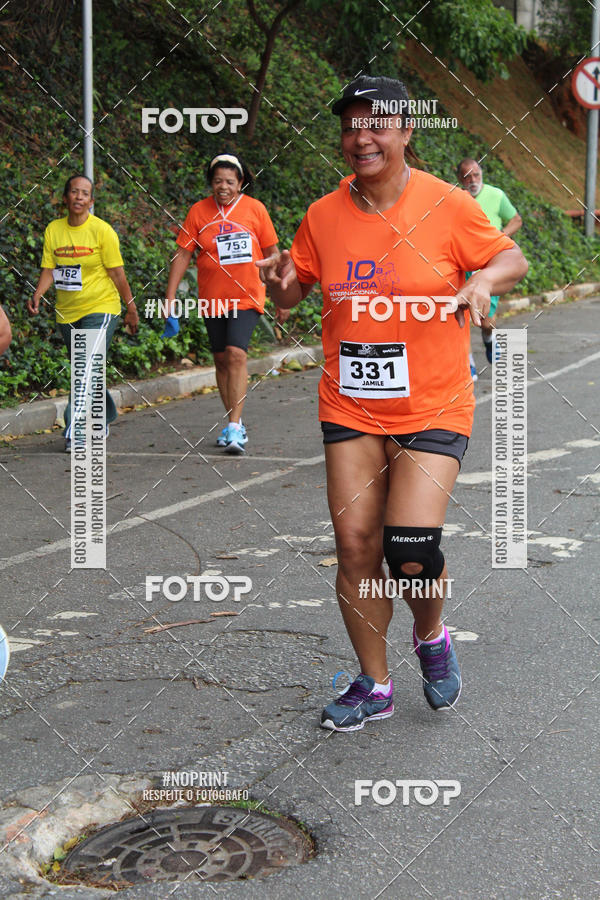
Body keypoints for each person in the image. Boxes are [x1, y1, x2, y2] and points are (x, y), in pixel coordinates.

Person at [259, 76, 528, 732]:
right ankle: (373, 683)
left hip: (433, 403)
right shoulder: (323, 215)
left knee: (409, 546)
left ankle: (430, 634)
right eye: (351, 126)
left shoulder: (447, 204)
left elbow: (511, 258)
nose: (362, 137)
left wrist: (481, 281)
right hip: (350, 405)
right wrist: (281, 282)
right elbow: (297, 292)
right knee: (355, 545)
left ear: (407, 132)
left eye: (377, 125)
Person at [165, 154, 283, 454]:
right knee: (220, 360)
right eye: (218, 181)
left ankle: (234, 424)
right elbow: (183, 255)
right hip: (212, 299)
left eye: (230, 181)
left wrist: (282, 291)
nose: (224, 187)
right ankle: (235, 423)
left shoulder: (255, 209)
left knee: (235, 354)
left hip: (247, 295)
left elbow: (273, 252)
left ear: (241, 183)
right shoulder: (198, 212)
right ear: (211, 183)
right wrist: (170, 296)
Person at [28, 174, 139, 451]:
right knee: (86, 367)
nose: (79, 197)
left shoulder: (102, 231)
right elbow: (50, 269)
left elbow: (117, 273)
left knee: (84, 365)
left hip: (102, 307)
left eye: (84, 193)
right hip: (67, 312)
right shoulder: (54, 230)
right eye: (74, 192)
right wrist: (39, 293)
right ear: (65, 198)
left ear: (91, 200)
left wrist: (131, 307)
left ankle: (75, 429)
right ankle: (103, 415)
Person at [457, 158, 522, 369]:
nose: (472, 180)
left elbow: (516, 220)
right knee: (461, 317)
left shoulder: (496, 195)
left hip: (490, 266)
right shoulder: (454, 198)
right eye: (467, 176)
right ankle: (468, 362)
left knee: (486, 320)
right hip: (461, 265)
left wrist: (500, 237)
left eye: (476, 174)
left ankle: (488, 339)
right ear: (460, 178)